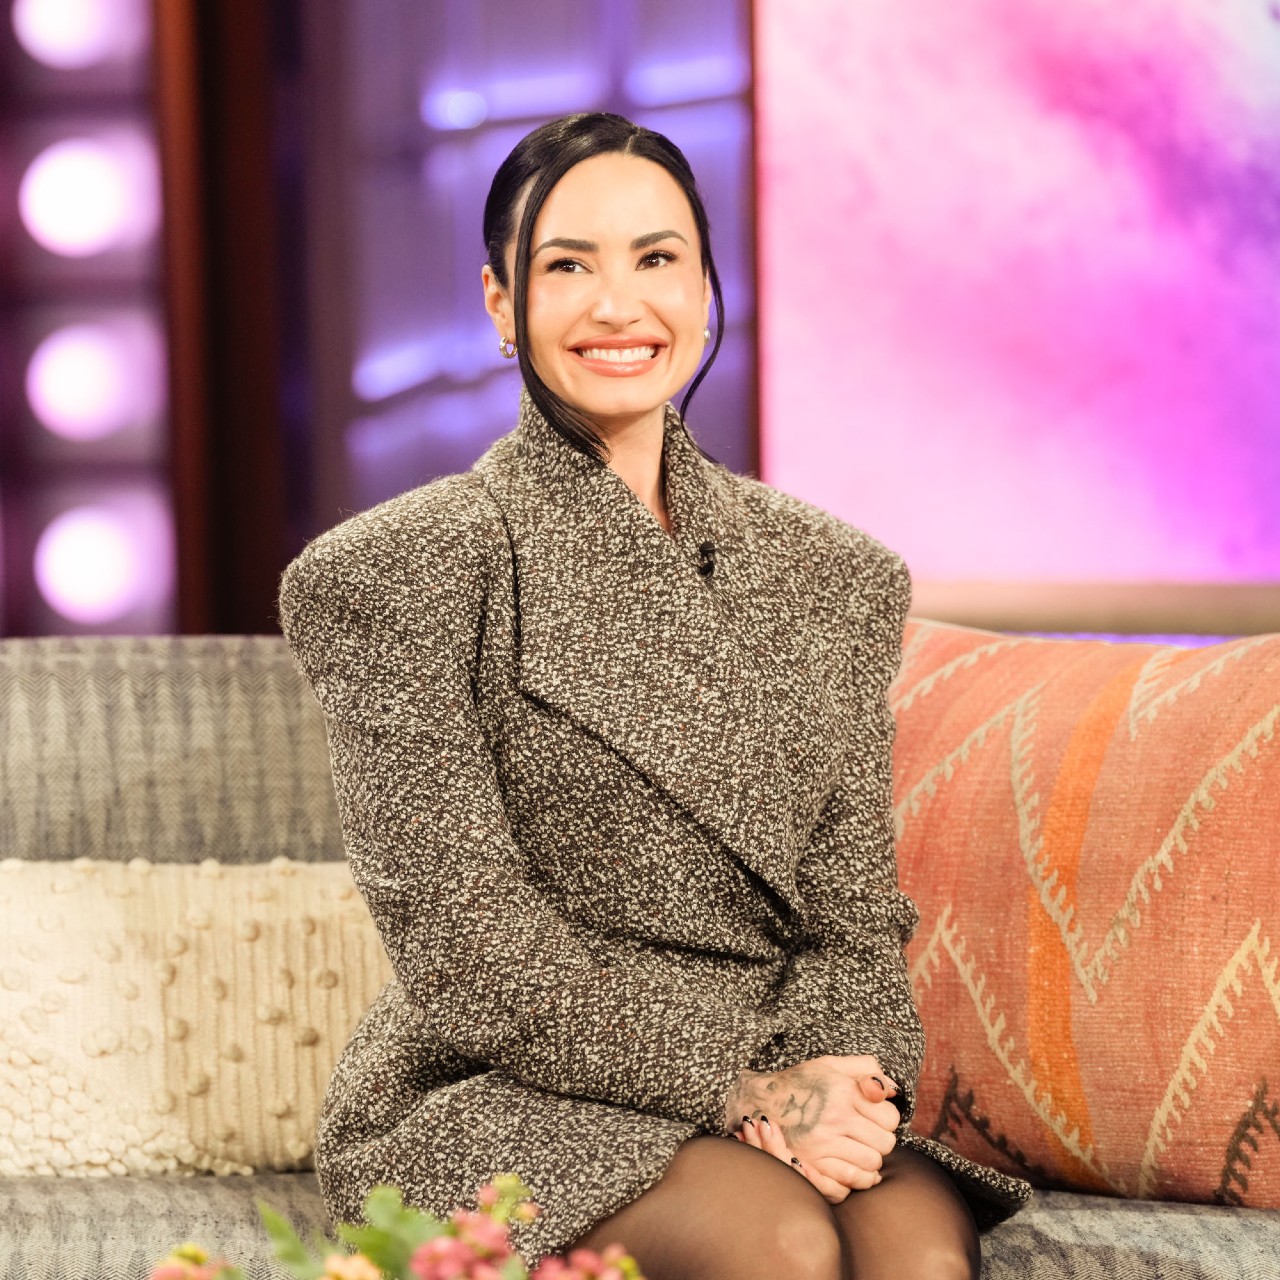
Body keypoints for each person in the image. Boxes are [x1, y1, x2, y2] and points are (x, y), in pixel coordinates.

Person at [277, 111, 1031, 1279]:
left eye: (656, 258)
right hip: (513, 1083)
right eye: (566, 266)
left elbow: (848, 909)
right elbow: (470, 950)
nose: (618, 305)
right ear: (497, 303)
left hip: (782, 1056)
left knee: (913, 1248)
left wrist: (841, 1075)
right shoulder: (394, 572)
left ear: (706, 287)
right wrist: (735, 1084)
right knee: (777, 1240)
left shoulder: (831, 573)